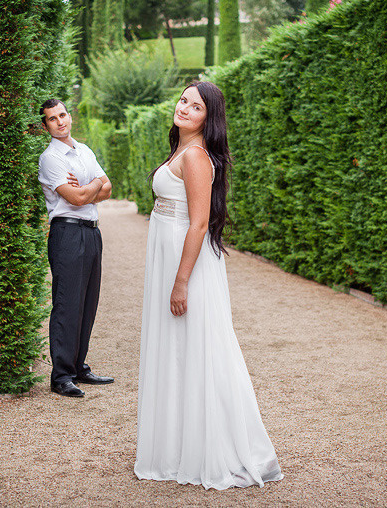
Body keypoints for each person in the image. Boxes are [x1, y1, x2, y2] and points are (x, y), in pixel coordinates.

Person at [134, 82, 284, 489]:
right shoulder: (182, 150)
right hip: (171, 256)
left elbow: (198, 223)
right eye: (183, 100)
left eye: (195, 106)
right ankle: (181, 444)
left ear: (207, 117)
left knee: (203, 351)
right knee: (179, 352)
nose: (184, 108)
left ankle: (218, 449)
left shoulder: (197, 156)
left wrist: (181, 282)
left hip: (189, 266)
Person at [38, 99, 114, 398]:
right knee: (68, 304)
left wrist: (88, 185)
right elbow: (77, 198)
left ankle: (78, 366)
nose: (60, 122)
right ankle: (61, 376)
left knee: (87, 302)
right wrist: (93, 185)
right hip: (67, 232)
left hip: (91, 233)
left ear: (69, 116)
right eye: (52, 119)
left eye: (62, 115)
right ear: (45, 126)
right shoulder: (50, 158)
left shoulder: (84, 150)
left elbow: (107, 188)